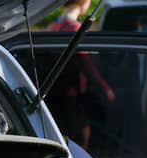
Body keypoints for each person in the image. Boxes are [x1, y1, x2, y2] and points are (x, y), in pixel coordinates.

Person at [46, 0, 115, 150]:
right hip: (73, 92)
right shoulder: (74, 27)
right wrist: (106, 89)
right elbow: (86, 65)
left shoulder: (53, 26)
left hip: (56, 91)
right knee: (82, 136)